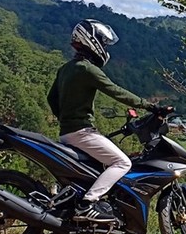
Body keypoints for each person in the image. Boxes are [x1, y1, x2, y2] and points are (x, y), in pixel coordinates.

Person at [47, 18, 156, 222]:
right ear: (91, 41)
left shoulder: (66, 68)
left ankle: (73, 214)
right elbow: (115, 91)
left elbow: (51, 99)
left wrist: (65, 119)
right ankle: (87, 204)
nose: (105, 47)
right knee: (122, 162)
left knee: (94, 170)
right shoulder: (87, 69)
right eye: (103, 43)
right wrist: (149, 105)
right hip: (82, 133)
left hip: (66, 134)